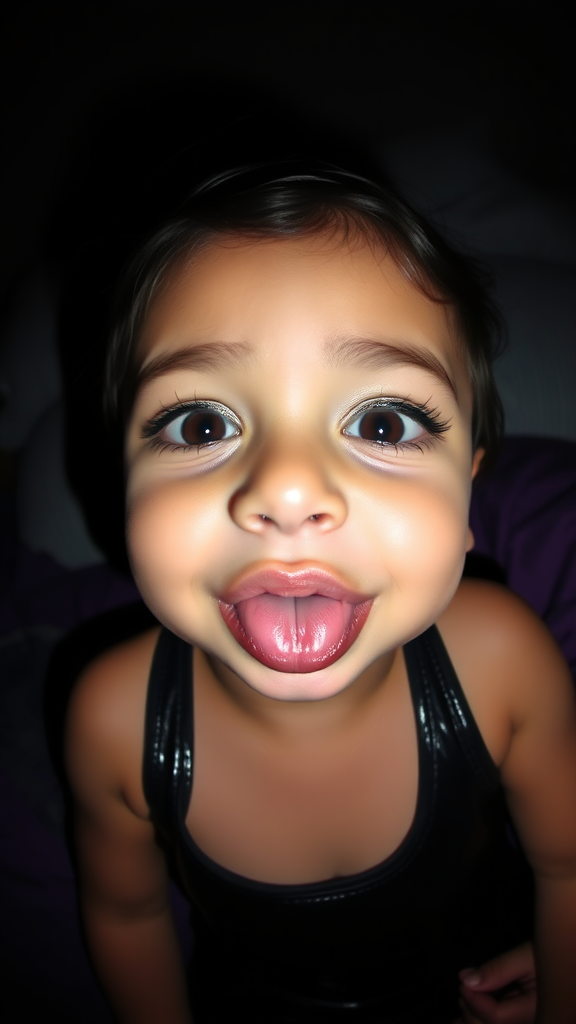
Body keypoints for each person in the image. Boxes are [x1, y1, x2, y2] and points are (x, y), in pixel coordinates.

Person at [66, 164, 576, 1023]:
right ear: (121, 484)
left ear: (466, 506)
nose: (291, 490)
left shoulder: (503, 665)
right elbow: (128, 912)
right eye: (201, 425)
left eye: (383, 423)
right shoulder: (114, 723)